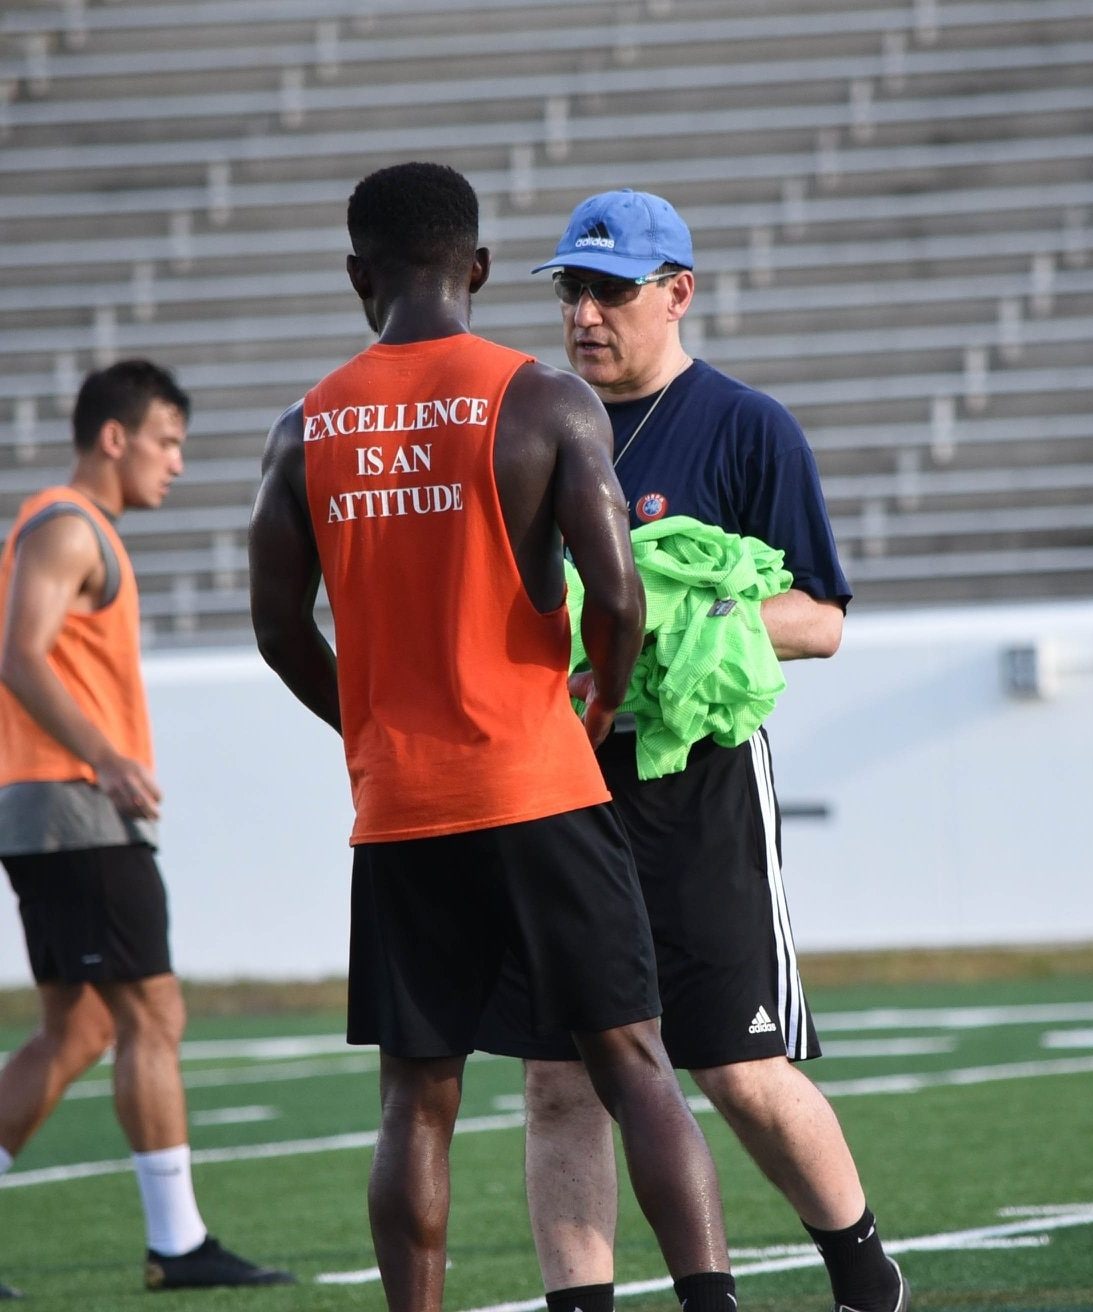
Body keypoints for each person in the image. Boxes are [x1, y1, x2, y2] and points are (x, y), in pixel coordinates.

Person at [247, 161, 739, 1312]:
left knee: (416, 1098)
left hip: (403, 804)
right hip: (540, 782)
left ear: (357, 276)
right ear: (474, 268)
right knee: (633, 1064)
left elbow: (276, 628)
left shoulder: (303, 427)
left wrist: (365, 723)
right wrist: (598, 701)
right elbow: (614, 598)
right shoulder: (543, 399)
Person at [477, 189, 910, 1312]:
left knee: (738, 1070)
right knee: (557, 1080)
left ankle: (865, 1276)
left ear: (678, 293)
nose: (583, 313)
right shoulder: (525, 423)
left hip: (699, 788)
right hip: (554, 783)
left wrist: (676, 622)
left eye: (610, 290)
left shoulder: (743, 424)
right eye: (571, 289)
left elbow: (821, 617)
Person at [0, 360, 295, 1297]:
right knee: (152, 1012)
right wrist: (109, 757)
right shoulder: (68, 528)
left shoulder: (80, 531)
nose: (175, 464)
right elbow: (18, 657)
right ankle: (178, 1243)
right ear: (115, 437)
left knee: (78, 1030)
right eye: (167, 442)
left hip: (59, 807)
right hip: (75, 807)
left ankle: (178, 1241)